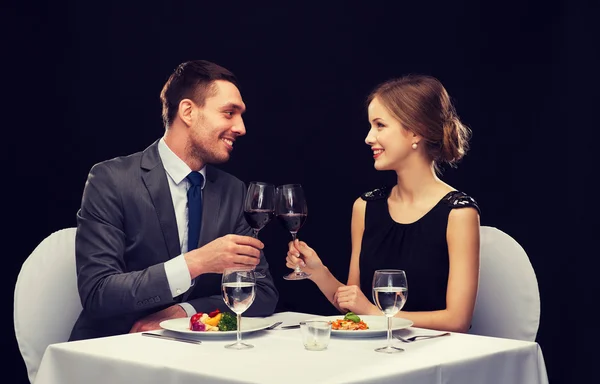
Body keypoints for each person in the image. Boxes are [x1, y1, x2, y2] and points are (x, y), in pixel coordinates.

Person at [69, 60, 278, 341]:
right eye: (229, 113)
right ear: (188, 111)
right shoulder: (111, 180)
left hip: (198, 355)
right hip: (117, 351)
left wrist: (185, 312)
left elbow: (262, 293)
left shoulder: (234, 191)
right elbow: (98, 292)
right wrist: (196, 263)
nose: (241, 127)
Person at [286, 75, 480, 333]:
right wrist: (318, 272)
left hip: (434, 358)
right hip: (375, 353)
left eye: (379, 125)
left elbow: (457, 320)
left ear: (415, 130)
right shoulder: (365, 207)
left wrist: (374, 313)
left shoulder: (459, 212)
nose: (368, 137)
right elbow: (354, 307)